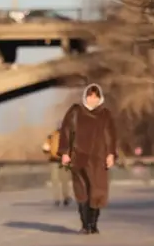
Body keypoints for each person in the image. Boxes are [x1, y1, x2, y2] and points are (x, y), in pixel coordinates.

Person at [57, 83, 117, 235]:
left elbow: (110, 135)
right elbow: (66, 132)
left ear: (100, 97)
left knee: (97, 191)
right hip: (79, 157)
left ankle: (93, 223)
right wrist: (65, 152)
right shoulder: (75, 112)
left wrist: (110, 154)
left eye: (95, 96)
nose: (92, 99)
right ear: (85, 96)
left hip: (98, 158)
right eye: (90, 96)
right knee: (82, 191)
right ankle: (85, 224)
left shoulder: (105, 114)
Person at [42, 124, 71, 206]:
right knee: (64, 179)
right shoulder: (67, 136)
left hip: (54, 160)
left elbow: (45, 148)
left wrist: (47, 151)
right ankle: (65, 197)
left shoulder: (51, 136)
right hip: (63, 160)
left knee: (55, 180)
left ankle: (57, 199)